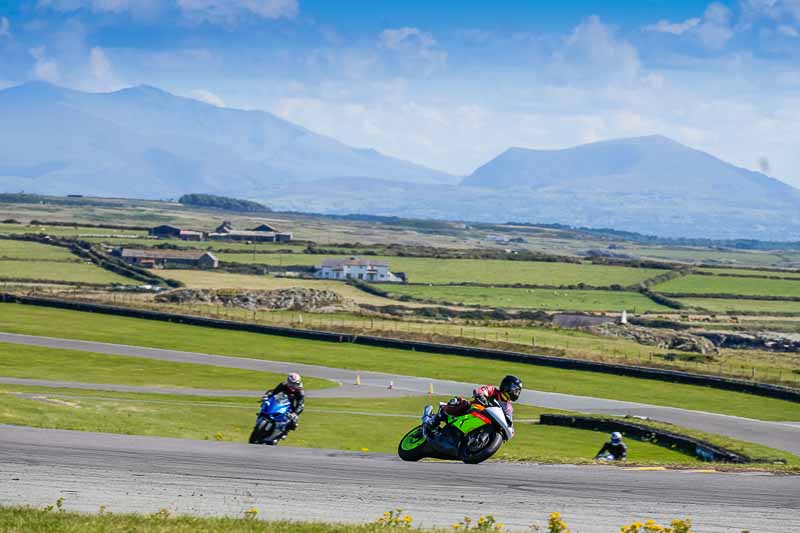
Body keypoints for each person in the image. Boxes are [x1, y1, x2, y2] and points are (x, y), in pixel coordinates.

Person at [424, 375, 522, 429]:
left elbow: (509, 420)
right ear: (507, 386)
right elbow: (482, 390)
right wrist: (480, 395)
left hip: (487, 422)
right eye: (515, 390)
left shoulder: (508, 407)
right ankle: (434, 419)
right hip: (474, 410)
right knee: (460, 402)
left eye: (518, 391)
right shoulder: (493, 390)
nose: (516, 393)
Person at [262, 372, 305, 439]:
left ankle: (284, 432)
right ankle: (261, 417)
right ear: (288, 381)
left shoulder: (300, 392)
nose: (292, 386)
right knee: (266, 404)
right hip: (278, 402)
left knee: (294, 421)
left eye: (294, 384)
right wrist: (267, 396)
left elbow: (300, 405)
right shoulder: (283, 385)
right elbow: (273, 392)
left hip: (289, 407)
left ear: (298, 383)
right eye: (290, 383)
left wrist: (295, 413)